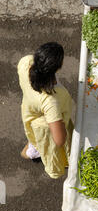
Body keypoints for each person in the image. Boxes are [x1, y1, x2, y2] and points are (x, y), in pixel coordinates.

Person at [17, 42, 74, 179]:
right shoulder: (50, 101)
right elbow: (59, 140)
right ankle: (33, 152)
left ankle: (33, 146)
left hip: (30, 110)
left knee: (34, 137)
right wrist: (59, 123)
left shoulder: (26, 62)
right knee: (46, 146)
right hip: (44, 125)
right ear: (57, 67)